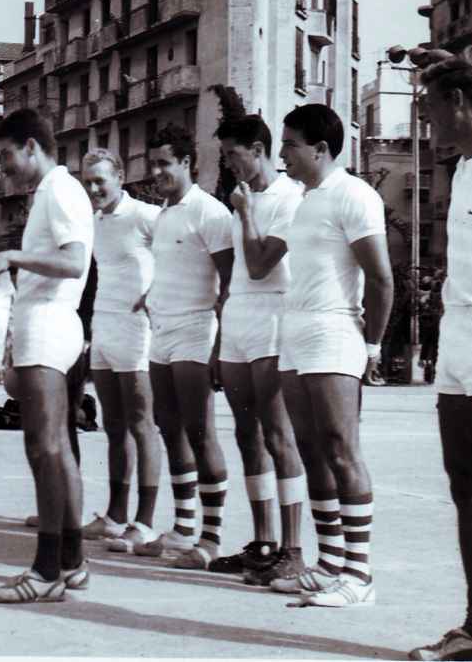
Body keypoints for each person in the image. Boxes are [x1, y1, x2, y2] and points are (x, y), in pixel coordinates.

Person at [273, 103, 393, 607]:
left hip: (334, 332)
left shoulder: (355, 195)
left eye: (291, 145)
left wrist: (372, 347)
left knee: (342, 449)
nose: (284, 155)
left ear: (321, 149)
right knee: (310, 450)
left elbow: (383, 280)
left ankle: (359, 577)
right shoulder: (304, 200)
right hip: (296, 332)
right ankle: (329, 563)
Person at [0, 108, 94, 603]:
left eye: (6, 154)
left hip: (50, 327)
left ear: (31, 146)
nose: (3, 166)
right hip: (43, 325)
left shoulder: (59, 190)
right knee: (57, 448)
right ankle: (71, 562)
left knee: (45, 449)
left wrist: (12, 257)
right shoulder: (50, 193)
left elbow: (74, 261)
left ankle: (46, 571)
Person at [208, 114, 308, 584]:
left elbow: (262, 264)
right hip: (238, 318)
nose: (228, 163)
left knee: (277, 434)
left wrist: (246, 214)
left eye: (234, 153)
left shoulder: (289, 197)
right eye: (225, 155)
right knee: (247, 434)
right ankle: (263, 541)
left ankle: (293, 548)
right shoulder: (237, 203)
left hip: (273, 314)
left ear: (258, 148)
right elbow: (234, 276)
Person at [408, 47, 472, 660]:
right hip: (458, 350)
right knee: (465, 487)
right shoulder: (463, 172)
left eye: (431, 112)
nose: (427, 126)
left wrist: (465, 64)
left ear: (459, 103)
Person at [135, 125, 233, 569]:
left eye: (165, 164)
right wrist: (150, 297)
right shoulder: (163, 215)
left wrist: (220, 345)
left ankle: (210, 539)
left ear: (187, 164)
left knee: (200, 430)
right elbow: (172, 267)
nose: (157, 172)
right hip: (162, 330)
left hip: (196, 329)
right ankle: (183, 528)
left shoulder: (210, 212)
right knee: (168, 426)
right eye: (152, 164)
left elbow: (229, 282)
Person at [77, 147, 164, 554]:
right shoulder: (92, 222)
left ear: (120, 177)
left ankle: (144, 522)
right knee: (112, 426)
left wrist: (155, 296)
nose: (94, 188)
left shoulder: (147, 215)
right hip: (104, 326)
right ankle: (115, 516)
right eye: (88, 182)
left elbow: (181, 257)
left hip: (138, 330)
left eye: (100, 181)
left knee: (141, 423)